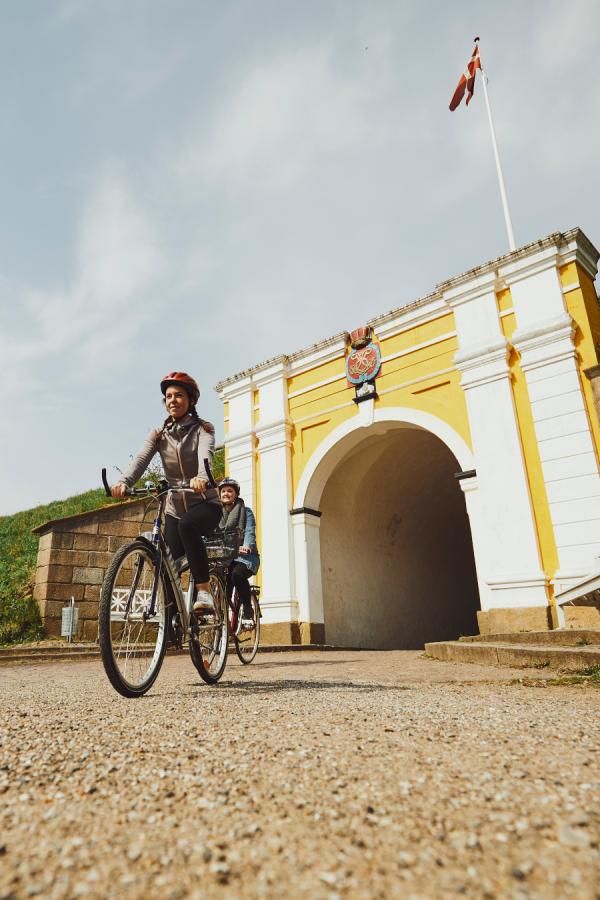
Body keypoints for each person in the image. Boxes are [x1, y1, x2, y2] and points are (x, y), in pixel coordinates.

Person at [111, 372, 222, 615]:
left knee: (187, 526)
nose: (172, 400)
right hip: (175, 507)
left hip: (205, 504)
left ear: (191, 400)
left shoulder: (203, 429)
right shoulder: (159, 434)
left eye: (179, 395)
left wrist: (202, 477)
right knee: (169, 563)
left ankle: (204, 591)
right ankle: (171, 618)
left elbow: (206, 454)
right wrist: (124, 482)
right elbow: (141, 459)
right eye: (168, 396)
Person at [218, 477, 260, 630]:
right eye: (223, 491)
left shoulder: (245, 512)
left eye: (230, 491)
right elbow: (211, 532)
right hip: (226, 557)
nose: (226, 493)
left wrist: (247, 545)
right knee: (222, 581)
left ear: (235, 494)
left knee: (236, 575)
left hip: (245, 557)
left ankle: (248, 611)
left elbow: (250, 531)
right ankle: (220, 618)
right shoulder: (218, 514)